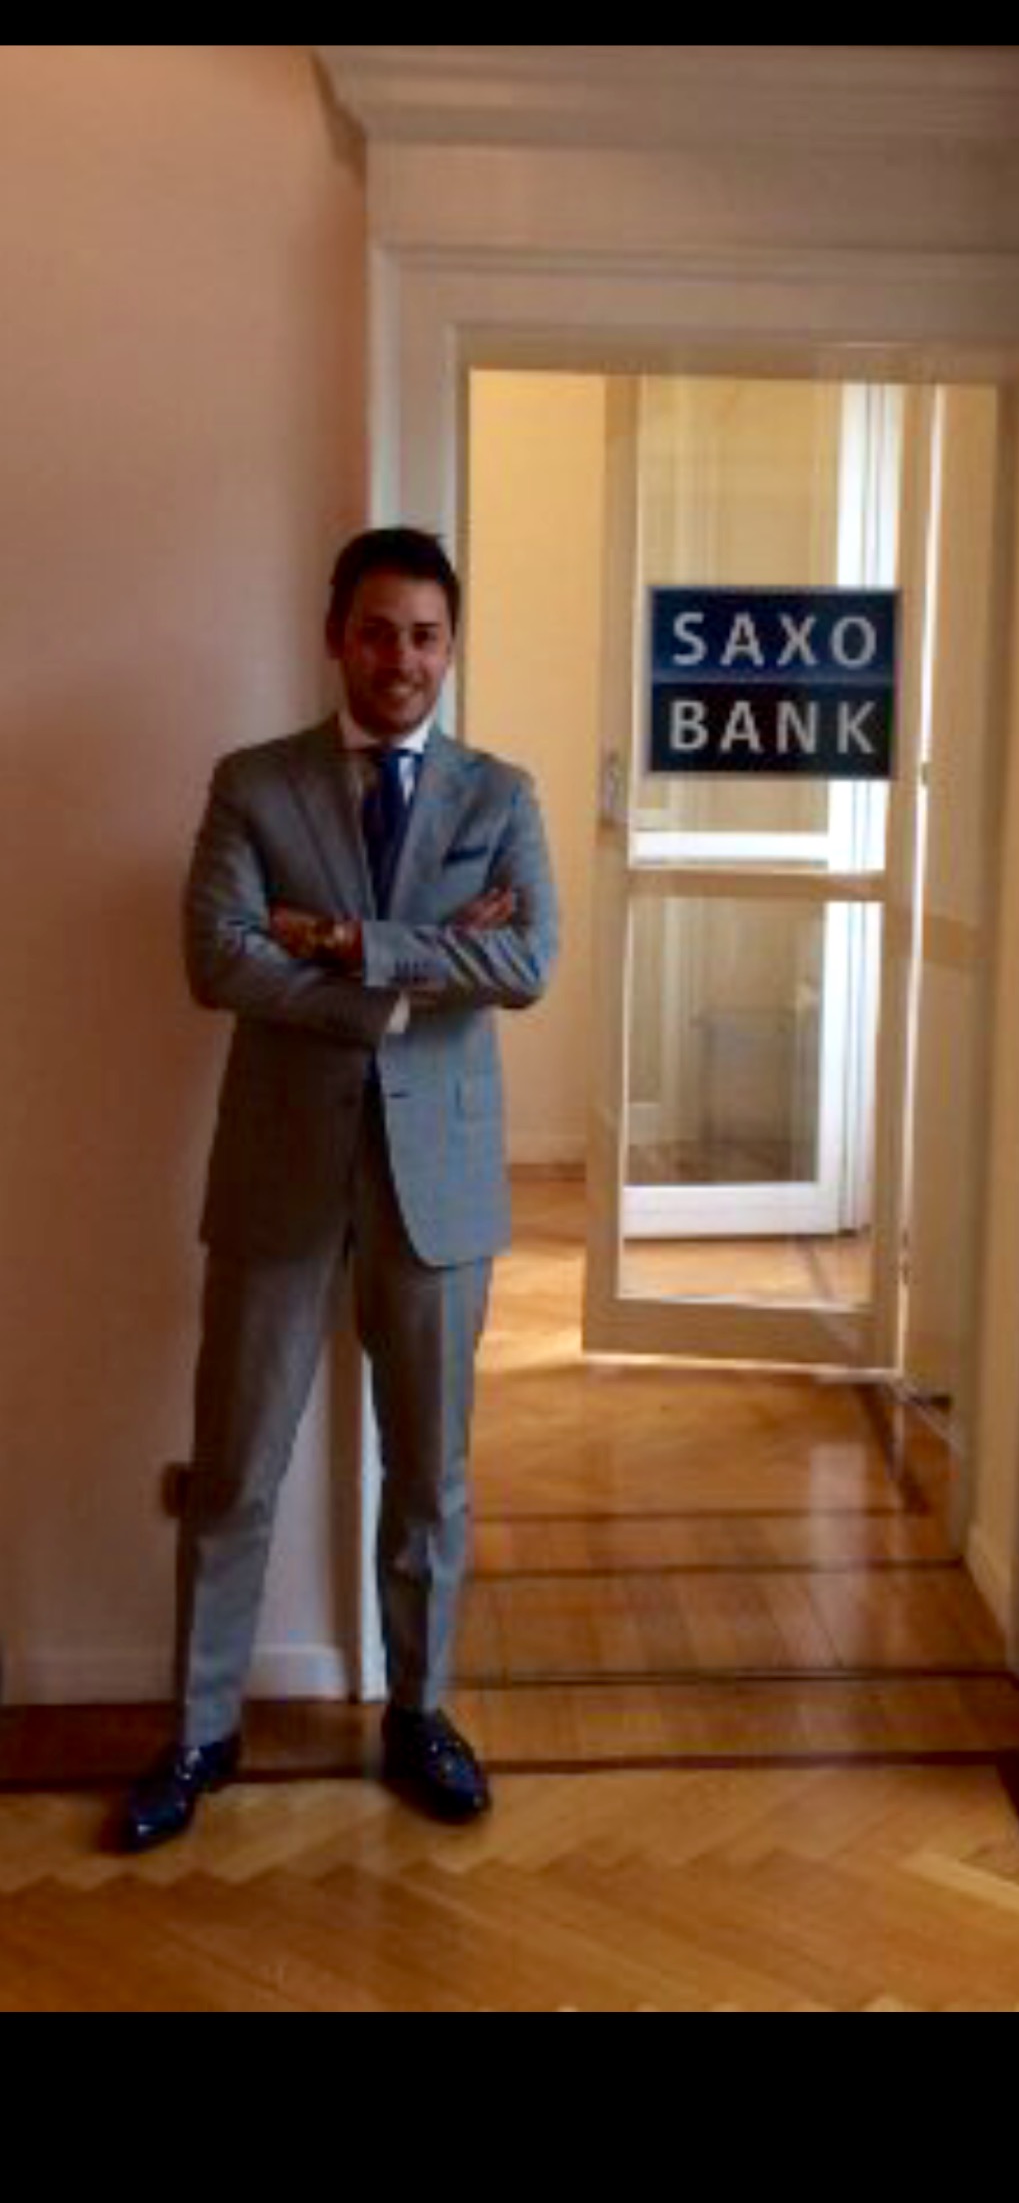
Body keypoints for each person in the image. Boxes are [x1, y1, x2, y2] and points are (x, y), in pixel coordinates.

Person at [119, 527, 558, 1853]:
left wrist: (341, 939)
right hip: (279, 1170)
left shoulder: (499, 796)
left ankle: (419, 1715)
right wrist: (411, 976)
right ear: (334, 638)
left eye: (424, 635)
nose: (400, 659)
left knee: (430, 1474)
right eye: (376, 632)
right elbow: (217, 960)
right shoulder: (254, 784)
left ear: (450, 646)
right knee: (234, 1468)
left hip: (440, 1185)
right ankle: (203, 1731)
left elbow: (527, 963)